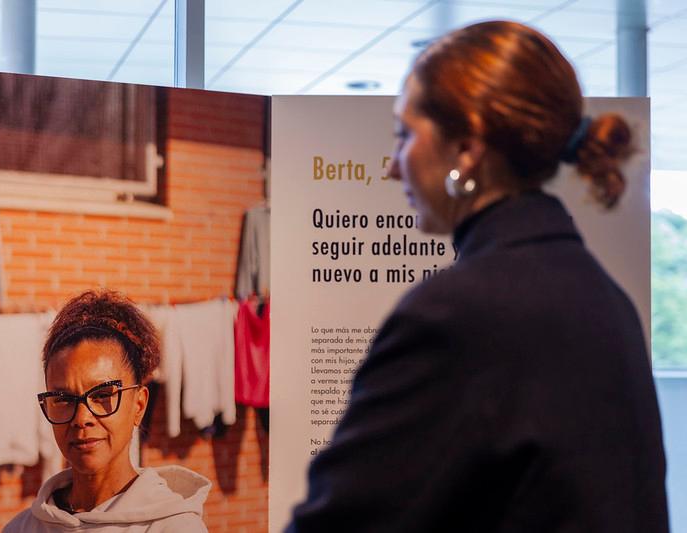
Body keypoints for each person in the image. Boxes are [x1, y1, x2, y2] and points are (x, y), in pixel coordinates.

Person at [286, 20, 669, 532]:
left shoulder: (459, 314)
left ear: (466, 149)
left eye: (405, 135)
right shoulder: (605, 299)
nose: (393, 167)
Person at [4, 290, 210, 532]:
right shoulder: (22, 528)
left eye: (102, 395)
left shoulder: (174, 527)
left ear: (139, 405)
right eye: (63, 399)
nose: (81, 419)